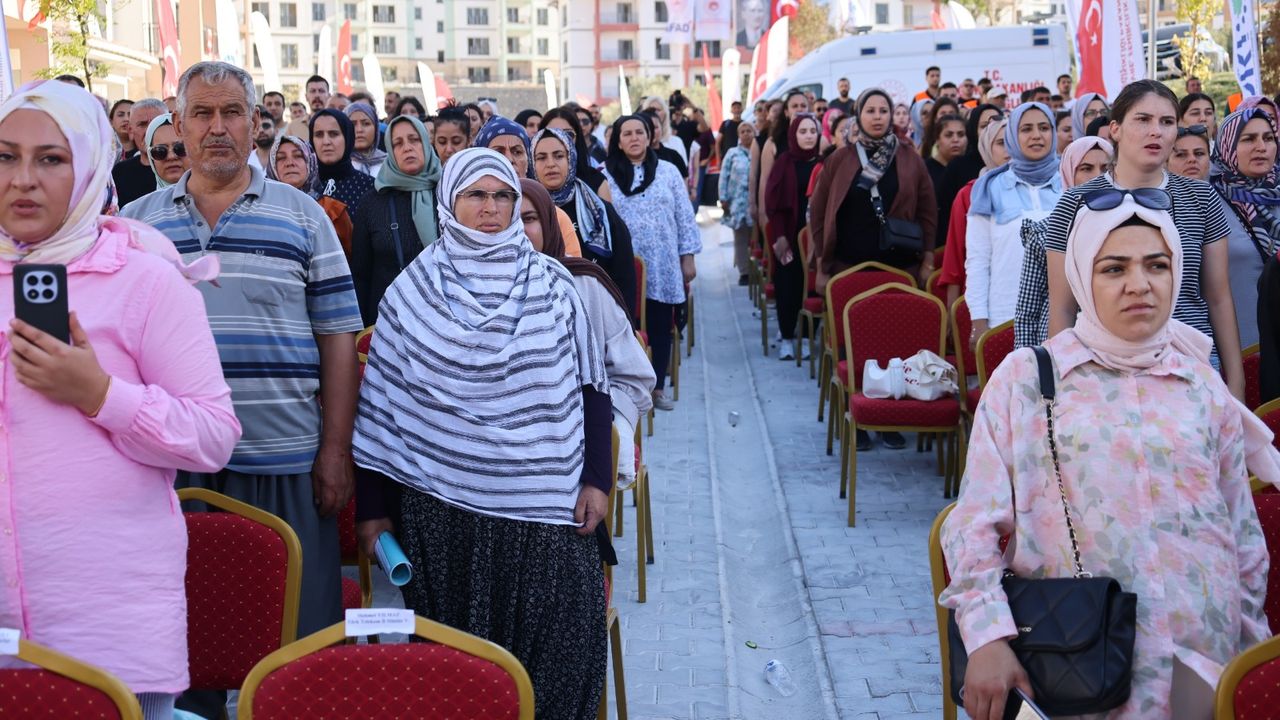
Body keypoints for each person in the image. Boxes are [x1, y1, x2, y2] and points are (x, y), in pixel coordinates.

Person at [941, 196, 1271, 720]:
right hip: (1080, 664)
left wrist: (1250, 655)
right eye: (1113, 267)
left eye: (1156, 265)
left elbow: (1242, 535)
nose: (1139, 284)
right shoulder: (1029, 381)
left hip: (1201, 661)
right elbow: (970, 525)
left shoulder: (1202, 386)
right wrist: (987, 638)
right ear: (1079, 276)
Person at [120, 66, 363, 716]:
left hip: (282, 461)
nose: (218, 127)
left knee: (293, 657)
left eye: (233, 112)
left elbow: (340, 335)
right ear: (177, 124)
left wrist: (335, 448)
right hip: (168, 470)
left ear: (257, 121)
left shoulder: (304, 217)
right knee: (181, 651)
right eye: (201, 113)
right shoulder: (135, 227)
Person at [0, 78, 240, 720]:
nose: (23, 179)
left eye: (50, 158)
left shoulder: (145, 278)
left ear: (89, 165)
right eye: (4, 156)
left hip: (105, 626)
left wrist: (99, 393)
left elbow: (213, 435)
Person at [352, 148, 611, 720]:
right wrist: (373, 508)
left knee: (560, 663)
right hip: (445, 513)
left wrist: (597, 481)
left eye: (503, 198)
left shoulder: (553, 285)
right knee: (459, 673)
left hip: (548, 510)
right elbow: (379, 411)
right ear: (450, 202)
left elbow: (593, 388)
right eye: (476, 196)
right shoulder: (410, 294)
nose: (491, 210)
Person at [1047, 80, 1244, 398]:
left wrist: (1235, 381)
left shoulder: (1200, 197)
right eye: (1143, 119)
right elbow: (1063, 308)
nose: (1157, 131)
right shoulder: (1075, 203)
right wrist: (1062, 384)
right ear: (1115, 129)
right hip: (1103, 372)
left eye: (1167, 122)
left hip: (1191, 367)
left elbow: (1219, 298)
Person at [810, 88, 938, 451]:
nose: (879, 116)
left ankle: (891, 419)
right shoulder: (840, 159)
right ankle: (860, 419)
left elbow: (929, 212)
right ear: (858, 114)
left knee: (895, 345)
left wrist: (927, 259)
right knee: (855, 346)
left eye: (885, 110)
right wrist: (821, 263)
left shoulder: (911, 158)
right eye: (871, 110)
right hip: (848, 266)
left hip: (897, 266)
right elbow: (819, 213)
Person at [522, 177, 655, 452]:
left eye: (529, 218)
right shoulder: (480, 290)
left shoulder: (584, 284)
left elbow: (632, 376)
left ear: (548, 223)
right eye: (510, 220)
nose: (519, 231)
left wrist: (611, 428)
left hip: (582, 438)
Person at [605, 115, 700, 411]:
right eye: (627, 133)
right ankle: (627, 387)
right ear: (617, 141)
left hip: (662, 262)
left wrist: (688, 256)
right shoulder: (604, 174)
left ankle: (657, 387)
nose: (634, 138)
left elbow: (684, 216)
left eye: (639, 132)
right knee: (625, 324)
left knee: (660, 324)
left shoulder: (668, 172)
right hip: (622, 264)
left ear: (649, 136)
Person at [965, 102, 1062, 344]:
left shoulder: (1071, 178)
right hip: (1006, 312)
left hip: (1065, 313)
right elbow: (978, 260)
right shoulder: (989, 187)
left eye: (1044, 127)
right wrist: (978, 319)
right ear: (1012, 135)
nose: (1036, 135)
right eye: (1026, 129)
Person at [1013, 136, 1113, 348]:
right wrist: (1031, 368)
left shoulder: (1132, 227)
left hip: (1112, 343)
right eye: (1086, 168)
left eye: (1106, 168)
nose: (1098, 177)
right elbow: (1028, 312)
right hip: (1057, 344)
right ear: (1069, 173)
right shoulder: (1045, 233)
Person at [532, 127, 637, 320]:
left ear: (570, 159)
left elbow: (624, 274)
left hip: (598, 312)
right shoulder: (525, 211)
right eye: (541, 158)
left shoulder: (599, 211)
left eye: (558, 156)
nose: (551, 164)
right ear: (532, 163)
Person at [350, 115, 441, 326]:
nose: (407, 148)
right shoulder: (372, 202)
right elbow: (361, 275)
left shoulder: (449, 193)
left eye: (414, 139)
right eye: (397, 143)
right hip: (389, 321)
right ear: (390, 151)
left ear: (427, 144)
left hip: (444, 317)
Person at [1210, 108, 1280, 350]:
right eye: (1248, 139)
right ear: (1228, 146)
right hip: (1245, 346)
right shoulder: (1208, 201)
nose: (1261, 146)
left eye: (1268, 138)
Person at [765, 114, 822, 361]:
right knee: (788, 284)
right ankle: (787, 337)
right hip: (787, 236)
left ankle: (809, 338)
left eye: (812, 131)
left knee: (812, 288)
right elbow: (774, 204)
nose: (808, 135)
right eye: (803, 131)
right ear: (793, 135)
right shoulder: (784, 162)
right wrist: (779, 237)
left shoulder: (824, 164)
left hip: (815, 238)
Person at [939, 117, 1011, 309]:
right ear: (987, 147)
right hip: (982, 297)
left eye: (1014, 142)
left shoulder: (1038, 190)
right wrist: (952, 315)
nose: (1009, 150)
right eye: (1002, 143)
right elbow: (955, 256)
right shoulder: (970, 195)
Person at [266, 134, 355, 256]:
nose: (290, 163)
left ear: (310, 162)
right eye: (281, 158)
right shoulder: (263, 210)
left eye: (298, 156)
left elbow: (352, 260)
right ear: (271, 167)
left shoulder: (332, 211)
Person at [937, 103, 1004, 246]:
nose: (992, 129)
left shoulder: (1015, 166)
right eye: (984, 125)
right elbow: (945, 213)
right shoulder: (958, 166)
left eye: (997, 123)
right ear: (973, 130)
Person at [756, 90, 810, 229]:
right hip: (781, 212)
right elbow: (764, 180)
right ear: (786, 112)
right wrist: (762, 212)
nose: (799, 109)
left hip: (810, 211)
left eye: (803, 106)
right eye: (795, 106)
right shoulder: (773, 143)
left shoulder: (819, 140)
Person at [311, 108, 377, 216]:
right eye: (319, 135)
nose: (326, 142)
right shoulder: (304, 186)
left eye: (334, 134)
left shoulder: (369, 187)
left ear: (348, 137)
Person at [541, 107, 613, 201]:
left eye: (568, 134)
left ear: (577, 138)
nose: (561, 140)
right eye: (552, 134)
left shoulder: (596, 181)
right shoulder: (530, 183)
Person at [111, 98, 166, 207]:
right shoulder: (119, 172)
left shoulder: (183, 169)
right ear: (130, 131)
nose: (149, 130)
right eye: (142, 124)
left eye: (156, 123)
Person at [720, 120, 756, 285]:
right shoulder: (732, 153)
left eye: (749, 130)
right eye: (743, 131)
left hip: (755, 203)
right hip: (737, 203)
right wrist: (723, 196)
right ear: (739, 135)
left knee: (755, 238)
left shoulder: (759, 151)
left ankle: (757, 270)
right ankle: (744, 272)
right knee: (740, 238)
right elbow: (724, 175)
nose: (747, 134)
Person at [924, 115, 967, 247]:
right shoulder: (924, 170)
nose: (955, 140)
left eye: (960, 135)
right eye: (949, 135)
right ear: (937, 139)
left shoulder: (970, 169)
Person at [143, 113, 189, 189]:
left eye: (180, 148)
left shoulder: (213, 200)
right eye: (160, 151)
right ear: (150, 157)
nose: (171, 157)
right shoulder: (146, 201)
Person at [345, 102, 387, 178]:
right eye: (352, 124)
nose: (359, 130)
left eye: (366, 123)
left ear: (376, 128)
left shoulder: (390, 164)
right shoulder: (338, 165)